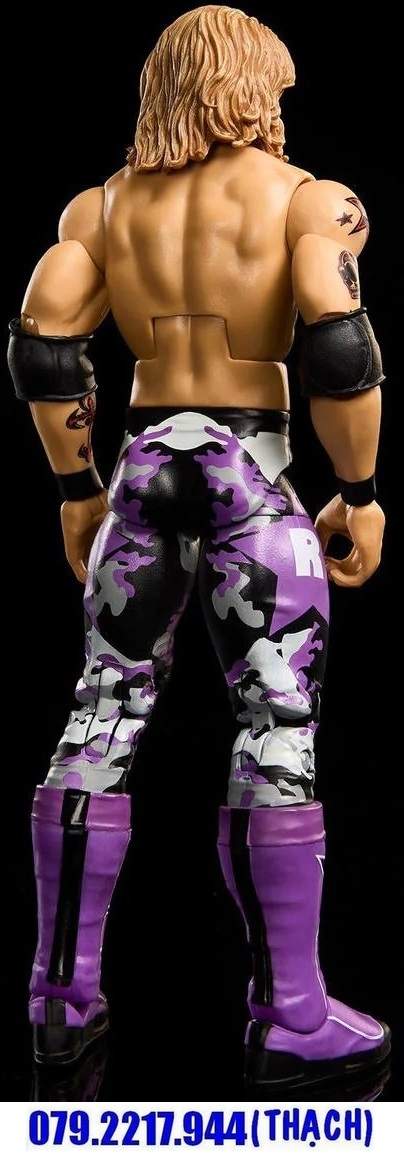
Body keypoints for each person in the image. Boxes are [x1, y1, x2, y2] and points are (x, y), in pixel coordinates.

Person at [8, 6, 389, 1083]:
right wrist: (358, 492)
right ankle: (291, 1013)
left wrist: (76, 491)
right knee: (275, 719)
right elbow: (338, 344)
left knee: (102, 709)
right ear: (247, 87)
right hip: (249, 470)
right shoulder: (308, 200)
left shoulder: (99, 209)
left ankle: (60, 1001)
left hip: (141, 468)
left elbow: (44, 348)